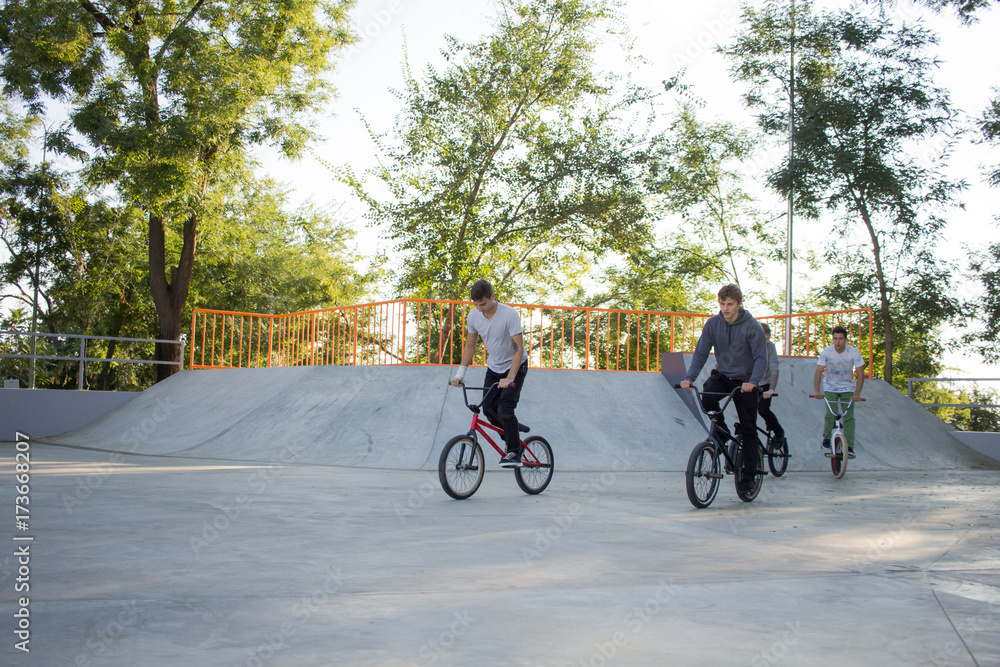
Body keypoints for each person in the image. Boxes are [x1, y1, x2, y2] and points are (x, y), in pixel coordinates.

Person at [679, 283, 768, 492]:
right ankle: (722, 434)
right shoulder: (712, 324)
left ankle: (749, 477)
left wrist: (753, 382)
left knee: (748, 428)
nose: (725, 308)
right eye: (722, 303)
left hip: (746, 381)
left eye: (730, 304)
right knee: (707, 395)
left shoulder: (752, 326)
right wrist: (689, 377)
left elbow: (761, 357)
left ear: (739, 304)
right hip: (723, 376)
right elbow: (701, 352)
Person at [451, 279, 528, 467]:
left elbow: (519, 349)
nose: (479, 308)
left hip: (515, 367)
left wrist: (510, 377)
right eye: (476, 305)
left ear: (493, 296)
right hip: (494, 368)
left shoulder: (509, 315)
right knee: (488, 410)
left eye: (483, 304)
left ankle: (514, 451)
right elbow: (470, 346)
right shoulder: (474, 316)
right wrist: (460, 374)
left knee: (505, 409)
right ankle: (513, 432)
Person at [812, 325, 866, 457]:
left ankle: (850, 447)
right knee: (831, 414)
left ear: (845, 340)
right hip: (830, 387)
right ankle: (826, 437)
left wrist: (857, 394)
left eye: (841, 339)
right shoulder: (826, 352)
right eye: (835, 338)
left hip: (848, 388)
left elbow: (860, 373)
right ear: (832, 339)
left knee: (849, 417)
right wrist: (817, 391)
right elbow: (819, 372)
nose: (838, 342)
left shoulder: (854, 352)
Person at [757, 323, 786, 448]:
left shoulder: (770, 347)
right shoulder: (745, 345)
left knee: (762, 409)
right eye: (764, 339)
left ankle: (779, 432)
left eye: (768, 339)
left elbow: (774, 368)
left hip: (765, 383)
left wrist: (772, 389)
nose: (766, 342)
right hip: (750, 382)